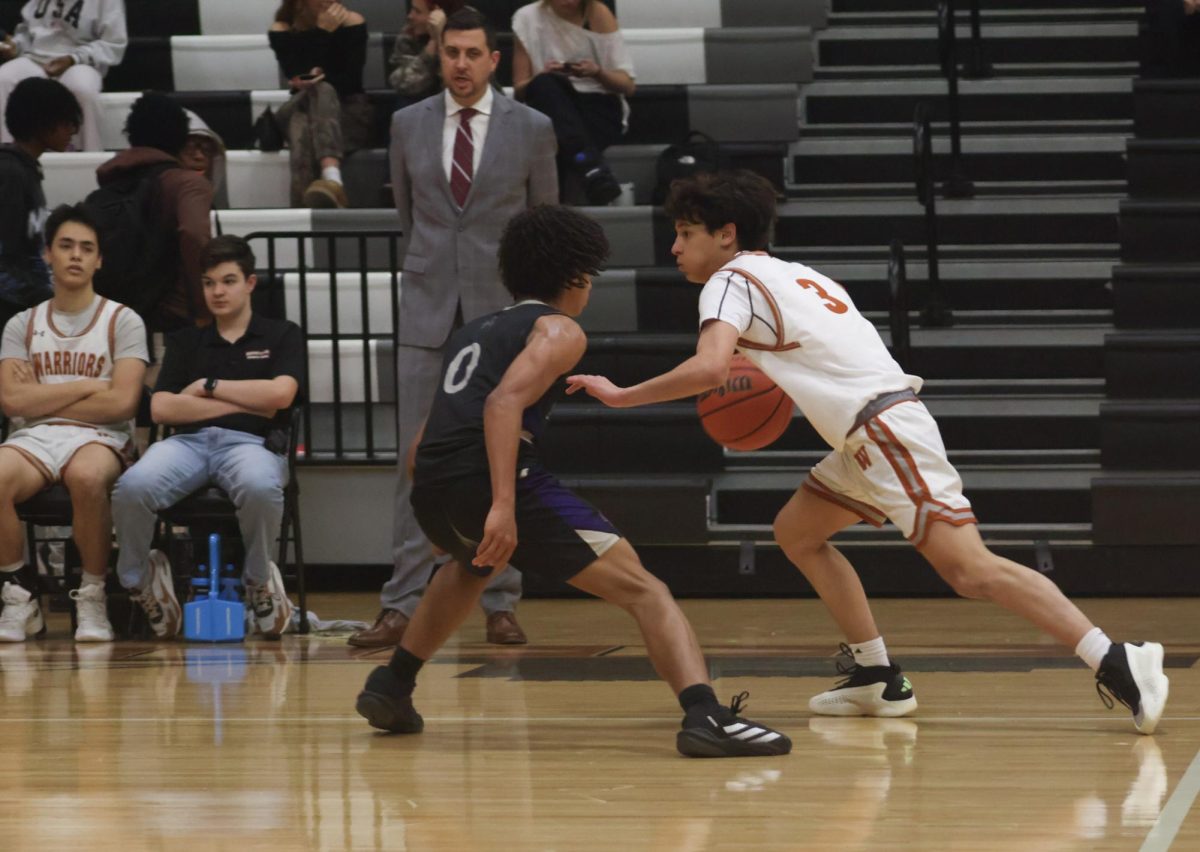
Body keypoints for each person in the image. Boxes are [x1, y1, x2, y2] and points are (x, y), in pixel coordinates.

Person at [566, 170, 1171, 735]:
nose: (675, 247)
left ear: (726, 235)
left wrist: (622, 395)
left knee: (970, 570)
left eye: (685, 233)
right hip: (870, 431)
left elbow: (709, 369)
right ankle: (876, 675)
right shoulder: (799, 276)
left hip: (882, 432)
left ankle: (1115, 657)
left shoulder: (729, 281)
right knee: (797, 532)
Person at [355, 204, 792, 758]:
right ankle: (706, 716)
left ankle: (391, 684)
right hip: (493, 477)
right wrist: (501, 505)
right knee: (646, 590)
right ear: (577, 278)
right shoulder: (559, 329)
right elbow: (502, 403)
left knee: (471, 566)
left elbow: (423, 441)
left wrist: (441, 513)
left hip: (435, 479)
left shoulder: (472, 332)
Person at [347, 7, 558, 649]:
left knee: (504, 455)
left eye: (472, 53)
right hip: (428, 302)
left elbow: (545, 226)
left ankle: (501, 601)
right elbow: (409, 220)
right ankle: (400, 604)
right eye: (451, 53)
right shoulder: (407, 123)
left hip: (502, 310)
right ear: (438, 56)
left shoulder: (533, 127)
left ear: (494, 60)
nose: (461, 64)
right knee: (412, 460)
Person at [111, 235, 304, 640]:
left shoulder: (281, 334)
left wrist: (207, 386)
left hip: (252, 445)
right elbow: (162, 408)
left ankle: (259, 583)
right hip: (187, 444)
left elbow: (281, 396)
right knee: (131, 487)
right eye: (209, 283)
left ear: (250, 283)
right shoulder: (186, 340)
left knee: (260, 486)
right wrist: (247, 402)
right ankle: (140, 581)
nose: (218, 291)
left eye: (228, 281)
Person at [0, 203, 148, 643]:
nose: (76, 255)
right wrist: (87, 385)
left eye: (87, 248)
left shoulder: (123, 320)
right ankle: (19, 594)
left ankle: (92, 594)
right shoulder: (21, 324)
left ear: (99, 259)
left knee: (86, 475)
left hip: (101, 437)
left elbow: (122, 403)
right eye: (66, 246)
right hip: (34, 437)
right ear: (48, 253)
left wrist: (42, 399)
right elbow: (11, 401)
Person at [93, 92, 214, 333]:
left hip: (111, 315)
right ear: (180, 136)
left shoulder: (111, 181)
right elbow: (193, 235)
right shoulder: (187, 183)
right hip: (170, 317)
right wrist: (203, 308)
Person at [511, 0, 635, 206]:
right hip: (550, 102)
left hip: (596, 106)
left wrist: (597, 72)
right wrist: (543, 75)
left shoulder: (598, 13)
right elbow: (520, 89)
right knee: (545, 89)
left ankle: (553, 207)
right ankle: (592, 171)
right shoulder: (527, 18)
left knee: (554, 136)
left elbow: (627, 85)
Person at [269, 0, 374, 208]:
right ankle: (333, 179)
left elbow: (350, 81)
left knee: (304, 121)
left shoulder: (353, 22)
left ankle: (302, 213)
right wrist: (322, 33)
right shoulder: (282, 29)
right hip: (301, 103)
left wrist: (315, 80)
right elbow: (295, 72)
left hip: (347, 111)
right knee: (316, 94)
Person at [0, 77, 80, 334]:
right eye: (67, 122)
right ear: (42, 123)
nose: (73, 131)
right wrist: (43, 299)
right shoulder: (10, 173)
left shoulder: (25, 170)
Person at [0, 0, 127, 151]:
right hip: (36, 57)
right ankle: (8, 156)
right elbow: (29, 32)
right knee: (3, 78)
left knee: (82, 88)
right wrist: (16, 46)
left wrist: (74, 58)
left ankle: (90, 156)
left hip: (81, 61)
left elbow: (113, 43)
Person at [386, 0, 465, 106]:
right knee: (407, 101)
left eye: (417, 11)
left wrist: (443, 39)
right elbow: (402, 84)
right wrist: (433, 42)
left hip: (459, 104)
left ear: (438, 14)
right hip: (423, 101)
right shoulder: (410, 31)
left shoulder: (470, 29)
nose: (410, 16)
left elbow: (458, 88)